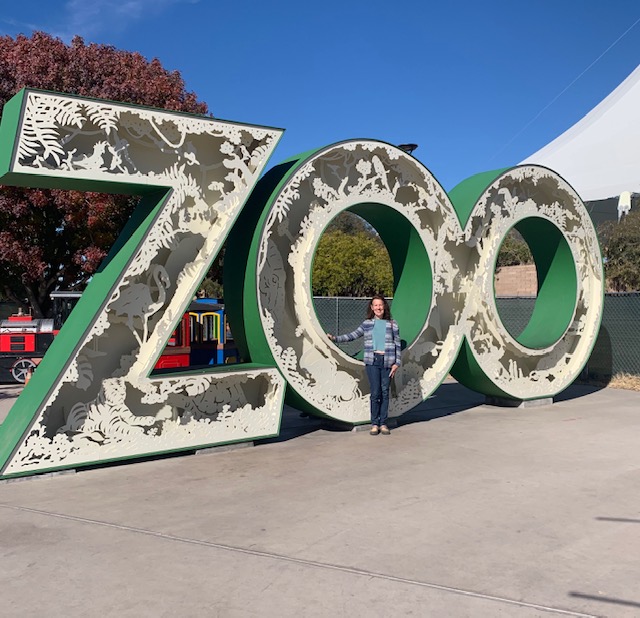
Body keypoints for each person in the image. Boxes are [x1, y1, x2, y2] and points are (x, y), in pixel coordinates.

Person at [328, 295, 401, 435]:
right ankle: (374, 424)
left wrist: (397, 363)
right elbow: (353, 335)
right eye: (376, 305)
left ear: (384, 306)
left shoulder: (392, 324)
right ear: (372, 308)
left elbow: (397, 344)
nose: (378, 308)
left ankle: (383, 423)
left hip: (387, 362)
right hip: (372, 361)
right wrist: (335, 338)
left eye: (381, 305)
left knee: (385, 392)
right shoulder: (367, 324)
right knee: (375, 393)